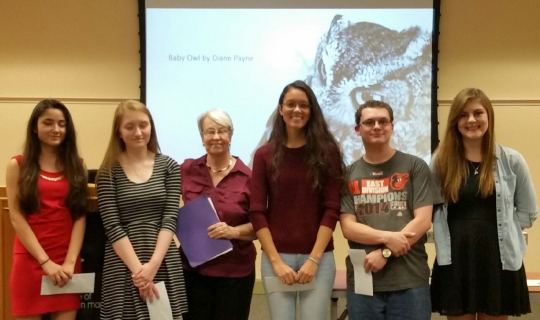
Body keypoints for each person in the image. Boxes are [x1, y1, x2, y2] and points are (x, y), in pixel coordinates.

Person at [430, 88, 537, 319]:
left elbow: (528, 211)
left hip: (500, 259)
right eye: (463, 114)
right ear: (455, 121)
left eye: (478, 113)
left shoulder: (512, 160)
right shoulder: (440, 162)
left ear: (489, 116)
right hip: (455, 258)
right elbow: (429, 209)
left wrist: (505, 231)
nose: (471, 120)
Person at [249, 80, 344, 320]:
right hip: (276, 259)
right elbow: (257, 212)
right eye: (290, 104)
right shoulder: (264, 155)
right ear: (280, 109)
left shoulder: (328, 152)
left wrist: (313, 259)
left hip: (319, 260)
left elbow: (331, 209)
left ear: (312, 111)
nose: (297, 110)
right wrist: (276, 262)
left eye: (304, 105)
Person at [340, 100, 439, 320]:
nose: (377, 126)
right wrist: (389, 238)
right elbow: (348, 227)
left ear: (392, 127)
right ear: (358, 129)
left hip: (410, 281)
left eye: (383, 121)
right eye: (369, 122)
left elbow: (423, 221)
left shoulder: (415, 166)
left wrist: (385, 252)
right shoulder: (348, 174)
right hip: (364, 280)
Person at [96, 100, 187, 319]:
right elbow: (112, 225)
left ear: (151, 127)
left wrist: (153, 266)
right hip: (124, 264)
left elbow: (169, 218)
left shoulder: (169, 166)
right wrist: (140, 273)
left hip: (162, 259)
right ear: (118, 131)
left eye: (143, 125)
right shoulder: (108, 171)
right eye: (129, 126)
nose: (138, 132)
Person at [5, 99, 88, 320]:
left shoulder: (77, 165)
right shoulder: (18, 165)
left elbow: (79, 215)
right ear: (35, 126)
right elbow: (16, 217)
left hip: (66, 261)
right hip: (31, 260)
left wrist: (70, 262)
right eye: (48, 123)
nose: (56, 129)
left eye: (62, 124)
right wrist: (45, 262)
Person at [180, 108, 256, 320]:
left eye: (221, 131)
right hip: (193, 272)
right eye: (209, 131)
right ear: (202, 137)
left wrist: (233, 231)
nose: (215, 137)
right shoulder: (186, 169)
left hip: (235, 273)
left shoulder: (248, 177)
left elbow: (260, 227)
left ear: (230, 135)